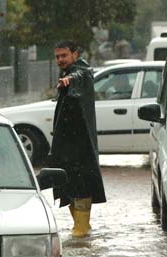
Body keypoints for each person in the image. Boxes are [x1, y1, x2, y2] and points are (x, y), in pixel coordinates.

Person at [49, 40, 106, 237]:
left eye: (64, 56)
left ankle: (81, 234)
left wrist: (70, 80)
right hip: (67, 146)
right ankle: (81, 231)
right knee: (67, 187)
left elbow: (81, 74)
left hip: (80, 147)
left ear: (75, 54)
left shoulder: (81, 72)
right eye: (57, 57)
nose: (60, 60)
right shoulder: (65, 73)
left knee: (81, 186)